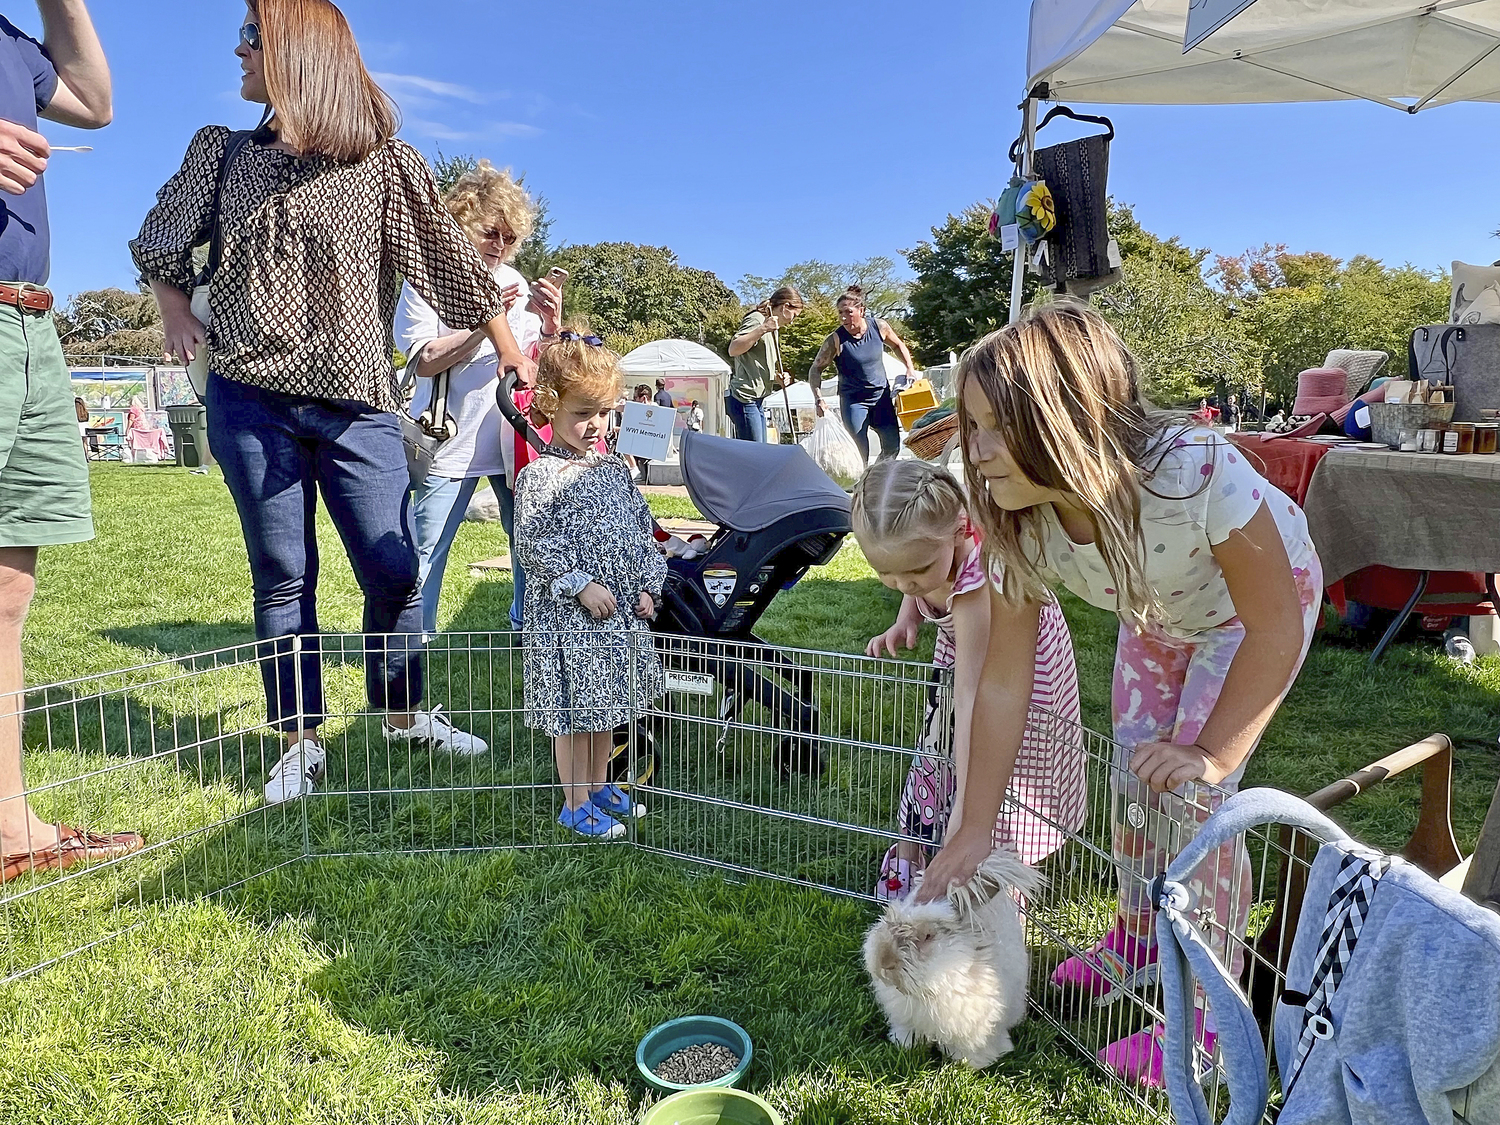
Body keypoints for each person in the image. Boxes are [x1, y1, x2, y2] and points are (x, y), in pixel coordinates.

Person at [132, 0, 536, 804]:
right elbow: (158, 242)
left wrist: (514, 347)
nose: (237, 50)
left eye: (251, 36)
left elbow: (448, 259)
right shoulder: (220, 154)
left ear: (297, 52)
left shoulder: (386, 164)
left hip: (357, 402)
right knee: (283, 572)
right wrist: (175, 306)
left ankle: (402, 712)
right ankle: (300, 740)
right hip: (251, 398)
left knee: (393, 568)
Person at [918, 303, 1322, 1088]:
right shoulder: (1016, 520)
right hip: (1157, 612)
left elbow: (1275, 622)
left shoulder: (1196, 471)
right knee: (1134, 778)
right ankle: (1139, 935)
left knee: (1197, 804)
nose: (977, 452)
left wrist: (1213, 753)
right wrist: (973, 825)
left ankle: (1212, 1012)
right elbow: (1002, 680)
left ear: (1072, 423)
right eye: (971, 427)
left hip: (1252, 615)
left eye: (998, 427)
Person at [0, 0, 143, 883]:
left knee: (8, 595)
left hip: (30, 325)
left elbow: (94, 100)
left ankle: (10, 825)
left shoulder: (15, 39)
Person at [852, 459, 1083, 901]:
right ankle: (913, 854)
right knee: (932, 760)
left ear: (958, 531)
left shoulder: (976, 587)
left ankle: (998, 882)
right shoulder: (928, 556)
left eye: (916, 572)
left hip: (1010, 677)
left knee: (1006, 775)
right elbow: (916, 586)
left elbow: (975, 692)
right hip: (963, 669)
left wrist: (965, 798)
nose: (903, 583)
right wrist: (907, 619)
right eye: (888, 574)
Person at [394, 161, 562, 637]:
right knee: (427, 550)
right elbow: (423, 359)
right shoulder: (425, 279)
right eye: (492, 232)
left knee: (531, 545)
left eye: (511, 237)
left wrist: (549, 326)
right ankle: (414, 645)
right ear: (463, 221)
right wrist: (484, 321)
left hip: (515, 444)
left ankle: (531, 633)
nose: (501, 245)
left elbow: (533, 363)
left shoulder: (515, 280)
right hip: (448, 441)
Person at [514, 330, 666, 840]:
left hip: (617, 616)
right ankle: (574, 802)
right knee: (576, 715)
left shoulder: (614, 472)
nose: (594, 424)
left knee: (607, 708)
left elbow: (641, 529)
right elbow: (534, 543)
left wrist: (649, 583)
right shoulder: (540, 476)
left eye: (602, 412)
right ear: (551, 407)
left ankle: (599, 785)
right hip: (570, 623)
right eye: (582, 412)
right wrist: (578, 583)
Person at [809, 286, 917, 464]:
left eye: (849, 312)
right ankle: (862, 485)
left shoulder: (879, 327)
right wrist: (818, 398)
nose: (844, 318)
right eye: (840, 313)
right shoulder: (835, 340)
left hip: (880, 397)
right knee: (859, 454)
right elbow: (815, 369)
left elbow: (898, 345)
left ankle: (875, 476)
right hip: (854, 401)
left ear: (861, 310)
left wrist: (909, 368)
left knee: (892, 447)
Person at [725, 285, 803, 442]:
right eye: (793, 316)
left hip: (758, 399)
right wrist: (762, 329)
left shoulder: (772, 327)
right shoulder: (757, 320)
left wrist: (776, 378)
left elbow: (755, 366)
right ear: (785, 306)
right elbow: (733, 349)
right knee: (754, 455)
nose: (792, 322)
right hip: (745, 399)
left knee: (760, 451)